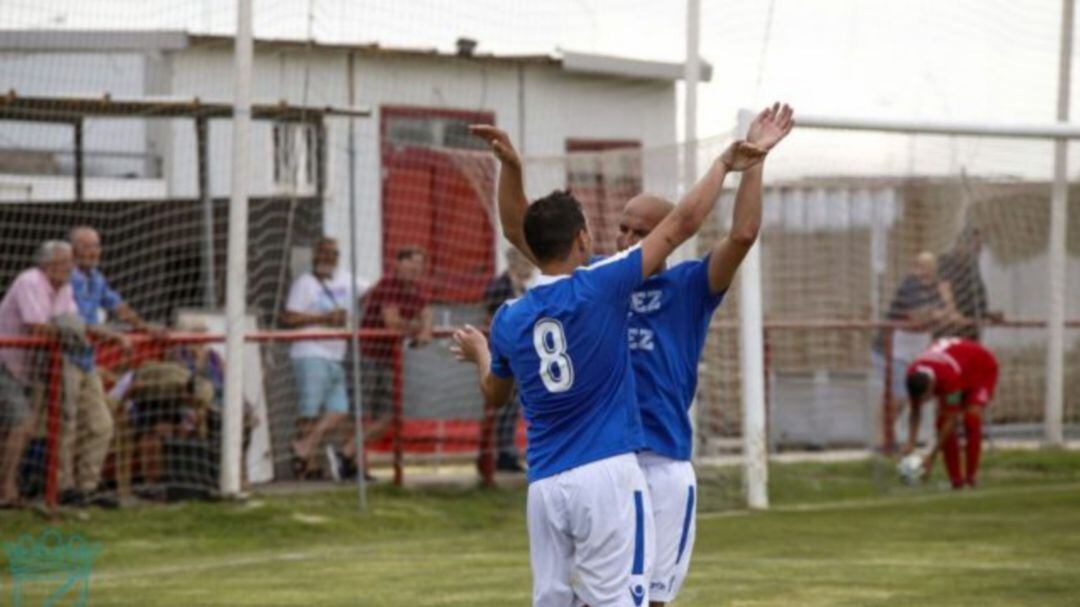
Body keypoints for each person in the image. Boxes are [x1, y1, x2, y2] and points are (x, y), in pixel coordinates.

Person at [453, 112, 787, 606]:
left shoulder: (688, 285)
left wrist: (753, 162)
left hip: (660, 462)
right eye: (622, 228)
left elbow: (740, 235)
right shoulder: (597, 282)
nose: (627, 239)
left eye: (639, 231)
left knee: (643, 601)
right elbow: (523, 232)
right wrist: (513, 171)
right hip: (607, 463)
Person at [63, 226, 155, 507]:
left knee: (101, 424)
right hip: (63, 358)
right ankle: (63, 489)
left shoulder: (96, 278)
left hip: (86, 360)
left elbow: (116, 304)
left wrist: (144, 327)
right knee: (66, 425)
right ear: (73, 250)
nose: (94, 252)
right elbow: (74, 322)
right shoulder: (65, 279)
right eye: (87, 246)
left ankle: (87, 487)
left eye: (97, 246)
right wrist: (112, 334)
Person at [282, 236, 370, 480]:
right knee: (309, 411)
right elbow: (289, 318)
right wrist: (323, 319)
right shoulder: (305, 283)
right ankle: (306, 464)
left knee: (339, 410)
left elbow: (373, 290)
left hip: (336, 354)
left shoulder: (347, 280)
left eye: (333, 253)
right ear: (314, 256)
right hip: (310, 352)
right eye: (323, 253)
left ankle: (304, 447)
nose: (328, 258)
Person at [0, 241, 78, 507]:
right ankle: (6, 489)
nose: (69, 267)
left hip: (30, 369)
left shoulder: (65, 288)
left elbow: (74, 326)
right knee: (21, 425)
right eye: (62, 262)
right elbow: (38, 328)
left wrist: (97, 334)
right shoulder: (30, 280)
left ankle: (10, 485)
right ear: (46, 264)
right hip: (5, 362)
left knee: (23, 427)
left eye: (70, 262)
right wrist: (68, 333)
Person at [873, 251, 958, 445]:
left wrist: (947, 298)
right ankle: (883, 437)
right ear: (914, 268)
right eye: (921, 266)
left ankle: (912, 438)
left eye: (929, 267)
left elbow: (952, 316)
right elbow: (919, 314)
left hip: (918, 347)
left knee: (918, 394)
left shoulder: (937, 288)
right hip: (892, 347)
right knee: (899, 394)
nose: (925, 272)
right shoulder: (909, 286)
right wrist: (938, 313)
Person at [359, 245, 433, 453]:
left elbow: (427, 312)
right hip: (368, 355)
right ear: (398, 264)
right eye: (410, 262)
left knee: (389, 414)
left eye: (419, 264)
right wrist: (418, 328)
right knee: (362, 411)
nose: (415, 268)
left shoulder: (416, 289)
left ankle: (348, 454)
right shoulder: (388, 284)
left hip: (389, 358)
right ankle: (351, 457)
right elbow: (391, 322)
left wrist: (426, 329)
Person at [904, 337, 999, 489]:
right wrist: (911, 442)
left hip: (981, 368)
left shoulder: (948, 379)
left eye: (927, 397)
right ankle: (956, 481)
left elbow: (952, 420)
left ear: (932, 386)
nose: (926, 401)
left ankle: (970, 478)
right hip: (959, 366)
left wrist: (931, 457)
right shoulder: (912, 374)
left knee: (971, 419)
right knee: (941, 422)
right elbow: (915, 411)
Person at [481, 248, 535, 473]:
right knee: (501, 406)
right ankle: (496, 454)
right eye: (526, 261)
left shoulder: (522, 288)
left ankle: (506, 451)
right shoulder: (500, 286)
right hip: (503, 354)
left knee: (513, 408)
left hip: (520, 355)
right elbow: (491, 318)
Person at [937, 226, 1002, 340]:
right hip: (951, 329)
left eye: (980, 247)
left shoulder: (972, 266)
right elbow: (944, 288)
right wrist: (953, 313)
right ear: (963, 244)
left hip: (972, 328)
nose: (979, 251)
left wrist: (987, 314)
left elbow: (972, 298)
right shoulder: (946, 261)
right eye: (977, 247)